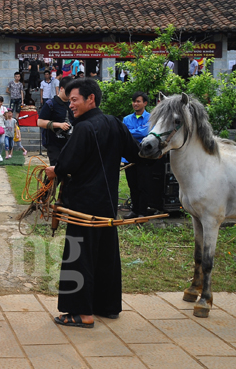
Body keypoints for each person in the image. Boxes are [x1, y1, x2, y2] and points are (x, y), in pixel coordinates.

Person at [45, 78, 146, 328]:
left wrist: (53, 170)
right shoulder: (114, 122)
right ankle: (107, 306)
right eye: (69, 102)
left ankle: (82, 313)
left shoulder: (84, 128)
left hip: (83, 205)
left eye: (75, 100)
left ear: (91, 99)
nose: (71, 106)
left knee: (80, 256)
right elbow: (136, 154)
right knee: (106, 255)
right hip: (108, 203)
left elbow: (66, 165)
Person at [122, 92, 155, 220]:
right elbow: (126, 134)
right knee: (132, 185)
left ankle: (142, 211)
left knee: (143, 185)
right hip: (129, 157)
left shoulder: (151, 118)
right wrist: (139, 132)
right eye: (134, 101)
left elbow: (147, 131)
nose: (135, 104)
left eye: (138, 101)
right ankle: (134, 210)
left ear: (145, 103)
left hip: (145, 156)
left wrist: (132, 132)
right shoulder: (126, 119)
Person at [37, 76, 74, 166]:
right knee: (56, 170)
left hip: (70, 143)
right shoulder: (50, 104)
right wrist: (59, 125)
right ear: (61, 89)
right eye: (68, 92)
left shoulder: (74, 104)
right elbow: (40, 122)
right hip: (54, 144)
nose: (70, 95)